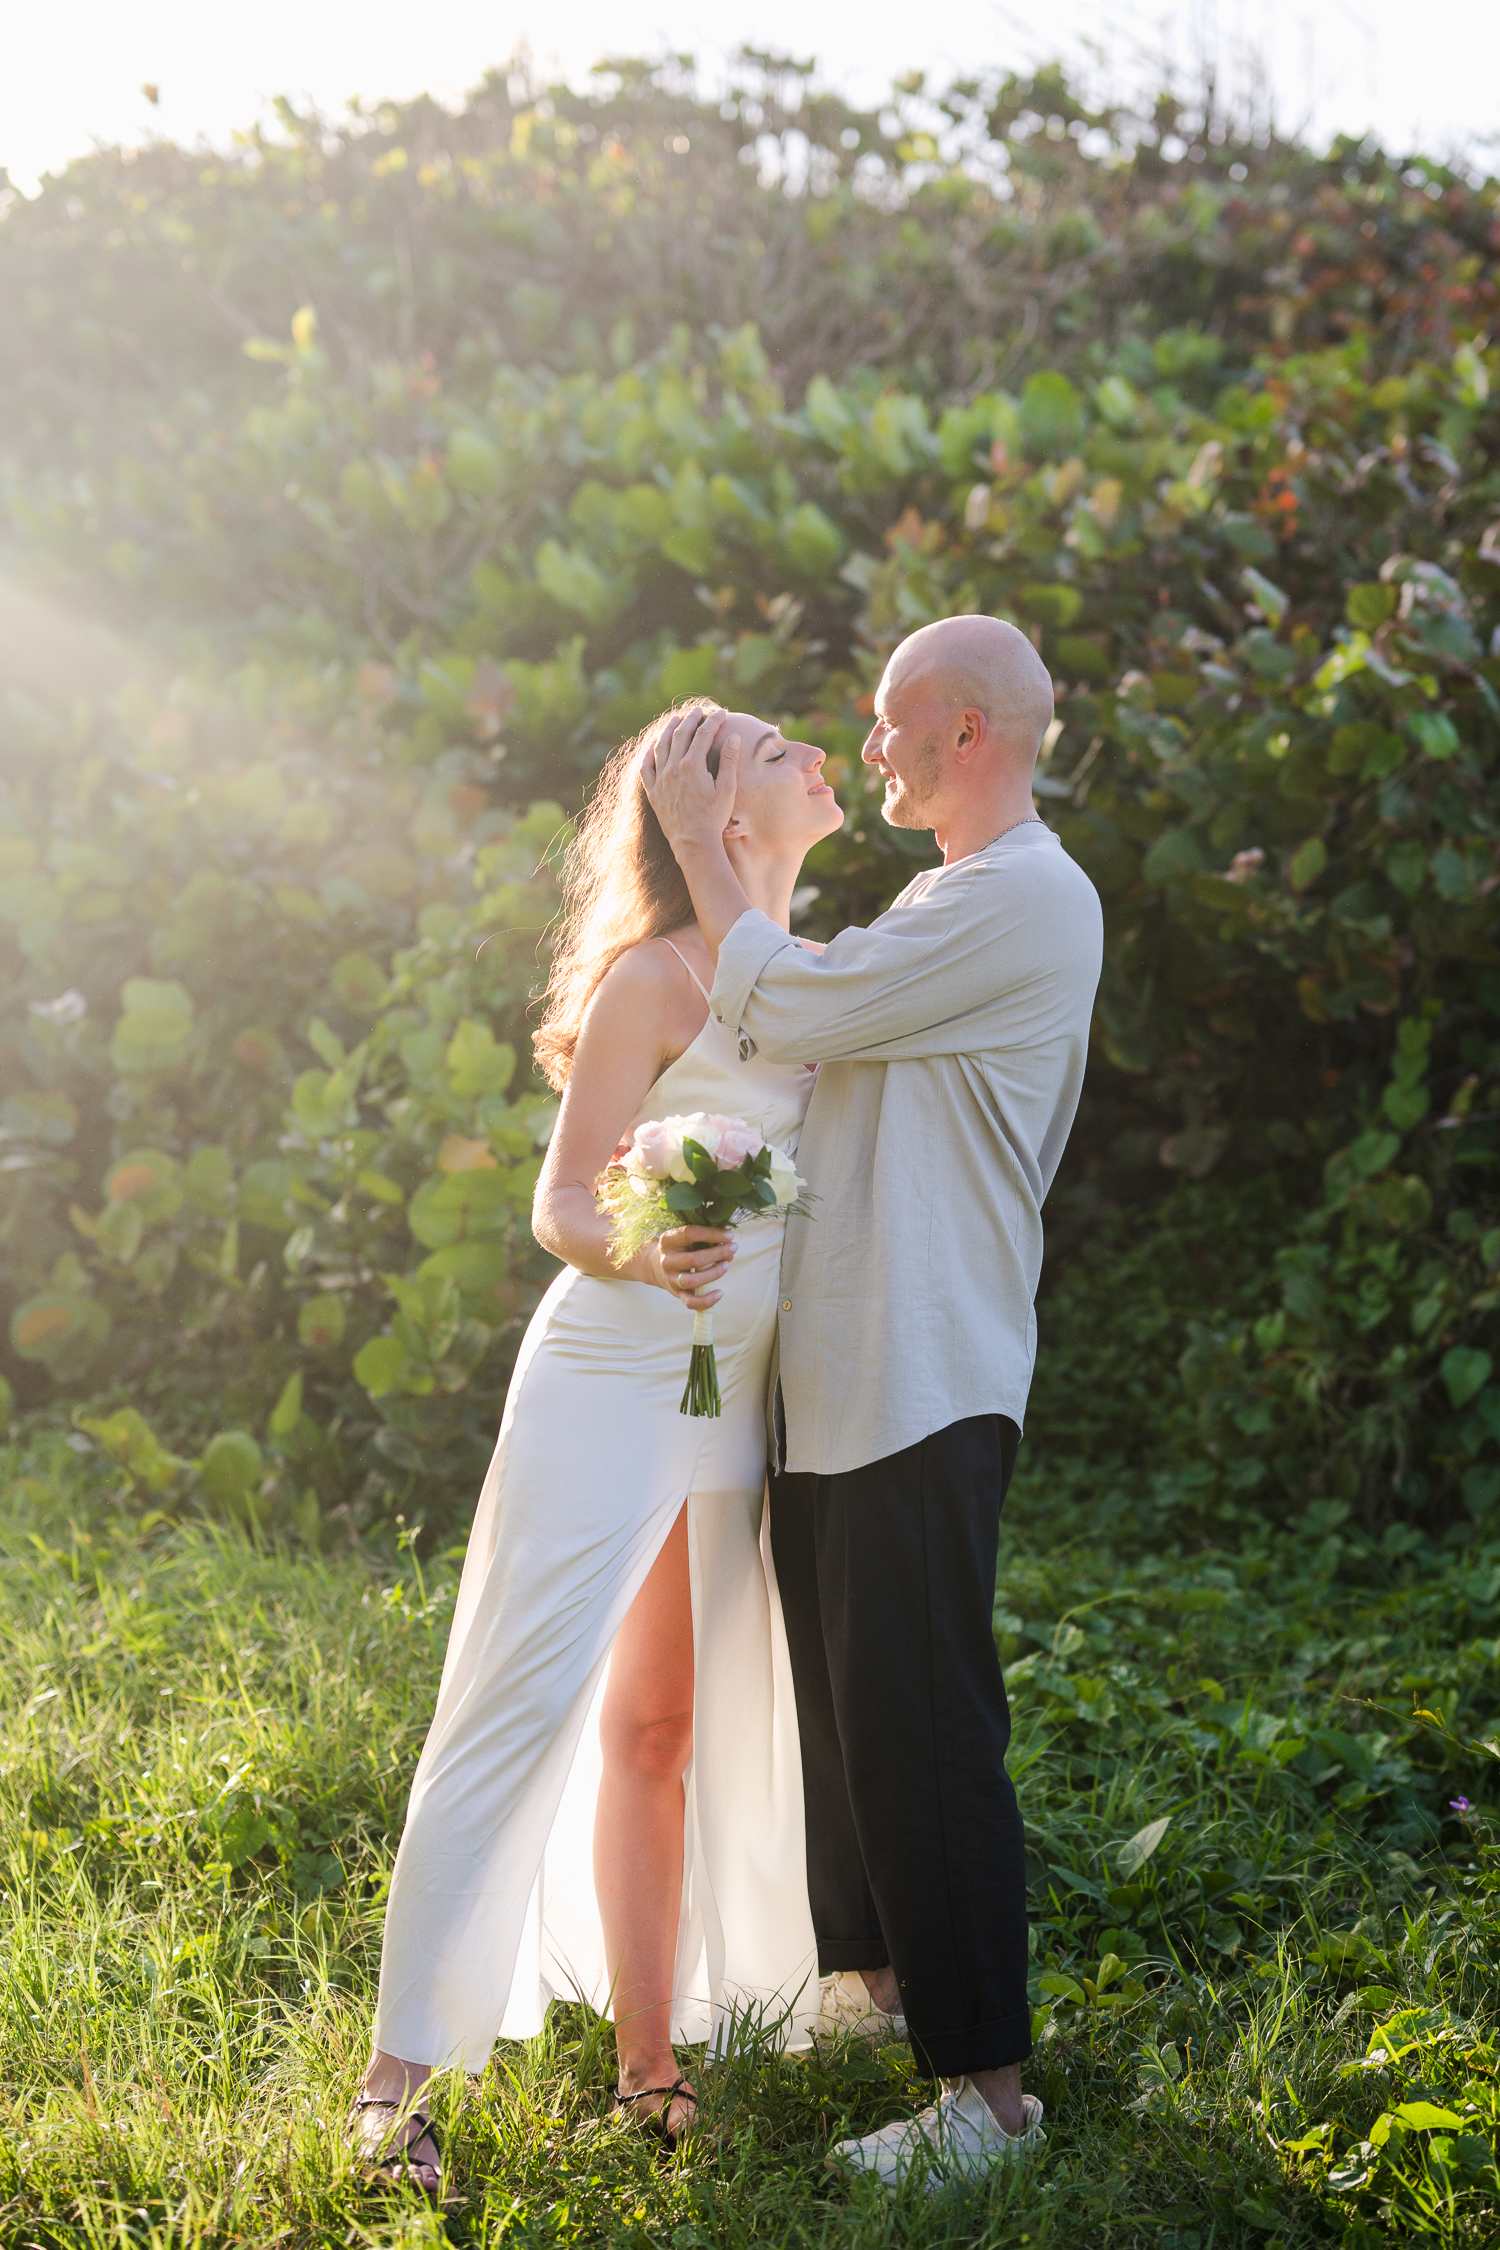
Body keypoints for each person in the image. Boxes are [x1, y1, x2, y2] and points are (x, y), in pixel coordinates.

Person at [348, 704, 844, 2193]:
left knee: (660, 1728)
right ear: (713, 812)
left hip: (728, 1399)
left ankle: (650, 2059)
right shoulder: (656, 977)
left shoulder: (818, 979)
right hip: (609, 1367)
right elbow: (563, 1202)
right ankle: (393, 2087)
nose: (809, 748)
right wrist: (648, 1244)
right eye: (769, 747)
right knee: (520, 1697)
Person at [643, 615, 1104, 2188]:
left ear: (969, 731)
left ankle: (988, 2099)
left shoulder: (1028, 897)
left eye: (900, 725)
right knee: (844, 1711)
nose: (877, 744)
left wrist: (709, 844)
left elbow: (796, 1005)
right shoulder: (945, 895)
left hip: (926, 1364)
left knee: (922, 1724)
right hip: (837, 1374)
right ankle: (880, 1985)